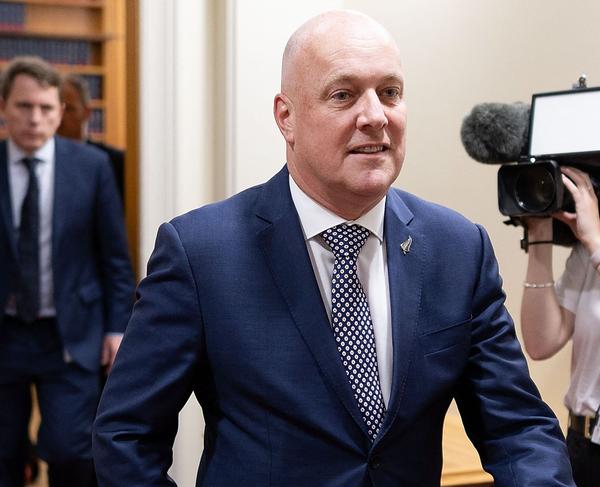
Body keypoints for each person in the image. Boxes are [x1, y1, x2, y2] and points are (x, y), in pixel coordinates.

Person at [93, 10, 575, 486]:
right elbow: (126, 434)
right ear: (287, 117)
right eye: (343, 95)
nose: (375, 117)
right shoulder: (202, 253)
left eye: (390, 93)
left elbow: (518, 429)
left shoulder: (457, 248)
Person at [0, 56, 134, 487]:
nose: (35, 118)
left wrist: (117, 327)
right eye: (24, 106)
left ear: (60, 112)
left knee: (72, 453)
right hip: (6, 334)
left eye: (45, 108)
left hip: (72, 333)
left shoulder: (91, 168)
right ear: (4, 108)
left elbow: (114, 256)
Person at [520, 113, 600, 485]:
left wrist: (595, 242)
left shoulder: (599, 248)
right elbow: (541, 342)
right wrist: (540, 236)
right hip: (586, 445)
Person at [56, 73, 125, 202]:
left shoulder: (114, 162)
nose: (61, 118)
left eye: (69, 109)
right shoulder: (36, 160)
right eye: (55, 110)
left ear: (86, 112)